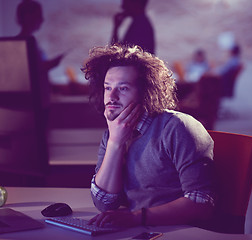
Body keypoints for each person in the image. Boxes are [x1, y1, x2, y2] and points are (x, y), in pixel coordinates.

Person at [81, 44, 216, 228]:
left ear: (146, 93)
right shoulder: (113, 133)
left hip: (177, 232)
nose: (111, 97)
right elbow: (104, 203)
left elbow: (201, 203)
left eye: (123, 88)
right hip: (137, 230)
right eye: (107, 87)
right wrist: (115, 142)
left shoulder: (177, 128)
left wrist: (135, 218)